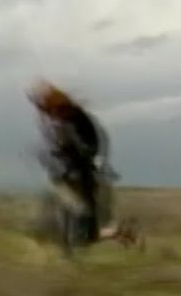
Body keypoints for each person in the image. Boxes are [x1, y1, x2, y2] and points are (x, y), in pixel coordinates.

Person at [27, 79, 141, 249]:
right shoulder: (62, 120)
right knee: (80, 222)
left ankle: (119, 233)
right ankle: (118, 233)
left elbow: (85, 148)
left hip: (80, 174)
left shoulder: (71, 120)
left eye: (42, 105)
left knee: (84, 224)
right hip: (72, 174)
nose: (42, 111)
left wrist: (68, 155)